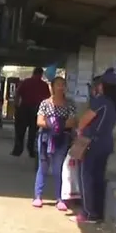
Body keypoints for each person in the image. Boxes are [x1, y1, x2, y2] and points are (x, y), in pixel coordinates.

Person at [74, 69, 116, 223]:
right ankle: (97, 212)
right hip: (106, 143)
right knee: (98, 178)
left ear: (104, 85)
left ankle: (88, 213)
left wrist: (79, 131)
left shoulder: (101, 101)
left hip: (92, 143)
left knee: (85, 176)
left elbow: (84, 120)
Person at [32, 76, 76, 210]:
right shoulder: (45, 103)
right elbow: (39, 121)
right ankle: (38, 196)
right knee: (43, 167)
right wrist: (54, 124)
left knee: (58, 168)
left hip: (62, 139)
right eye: (58, 84)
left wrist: (57, 124)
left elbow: (73, 121)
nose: (60, 87)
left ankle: (60, 198)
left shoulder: (69, 104)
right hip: (45, 138)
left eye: (63, 85)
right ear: (52, 87)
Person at [12, 67, 51, 158]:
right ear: (41, 74)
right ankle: (31, 151)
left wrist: (16, 105)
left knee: (20, 131)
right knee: (33, 132)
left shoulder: (26, 82)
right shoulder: (44, 85)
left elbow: (18, 93)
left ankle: (17, 150)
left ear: (33, 73)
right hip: (37, 110)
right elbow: (47, 99)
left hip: (24, 108)